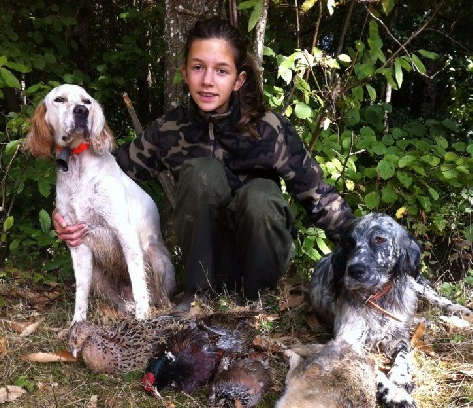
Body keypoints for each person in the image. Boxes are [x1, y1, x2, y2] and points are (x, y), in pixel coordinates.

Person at [53, 16, 355, 313]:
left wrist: (361, 243)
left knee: (260, 194)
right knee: (202, 173)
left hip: (260, 262)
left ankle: (257, 304)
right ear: (185, 73)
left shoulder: (270, 129)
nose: (208, 80)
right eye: (198, 68)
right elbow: (109, 172)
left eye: (221, 71)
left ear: (239, 80)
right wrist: (63, 215)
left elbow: (319, 197)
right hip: (205, 265)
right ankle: (197, 298)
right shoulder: (169, 131)